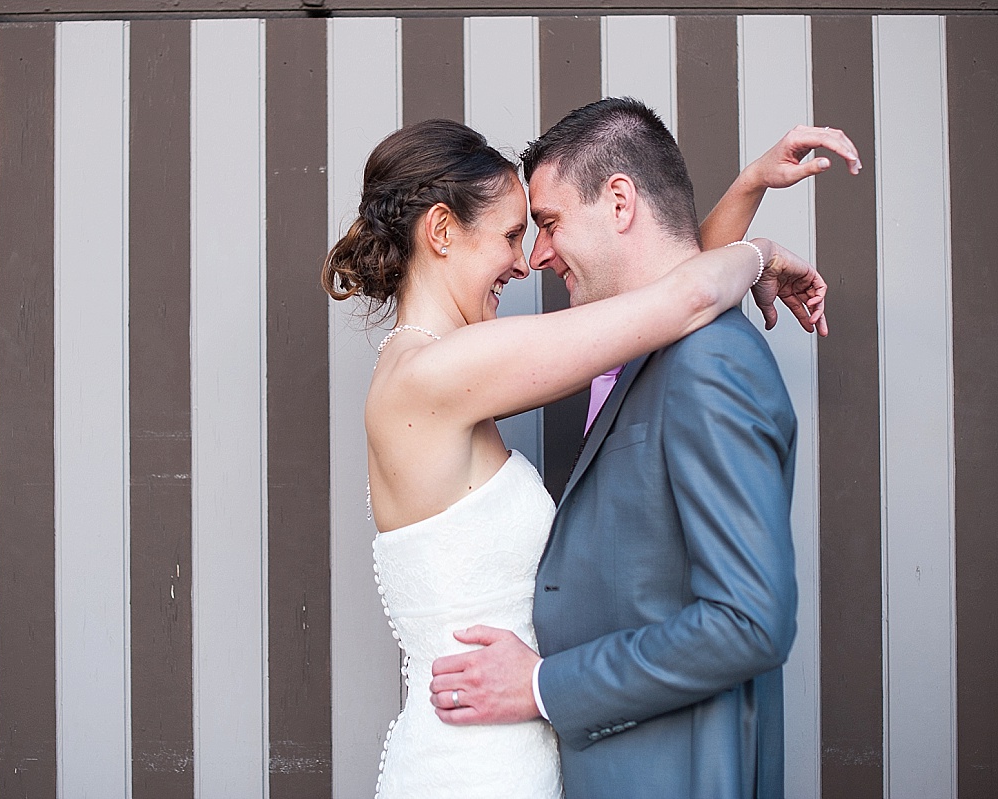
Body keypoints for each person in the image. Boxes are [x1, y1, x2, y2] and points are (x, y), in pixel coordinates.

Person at [322, 112, 852, 798]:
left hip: (514, 742)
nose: (525, 260)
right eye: (513, 235)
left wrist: (748, 188)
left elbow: (650, 311)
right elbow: (679, 299)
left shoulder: (443, 370)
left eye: (536, 230)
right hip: (475, 765)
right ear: (443, 231)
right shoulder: (437, 375)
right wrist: (763, 252)